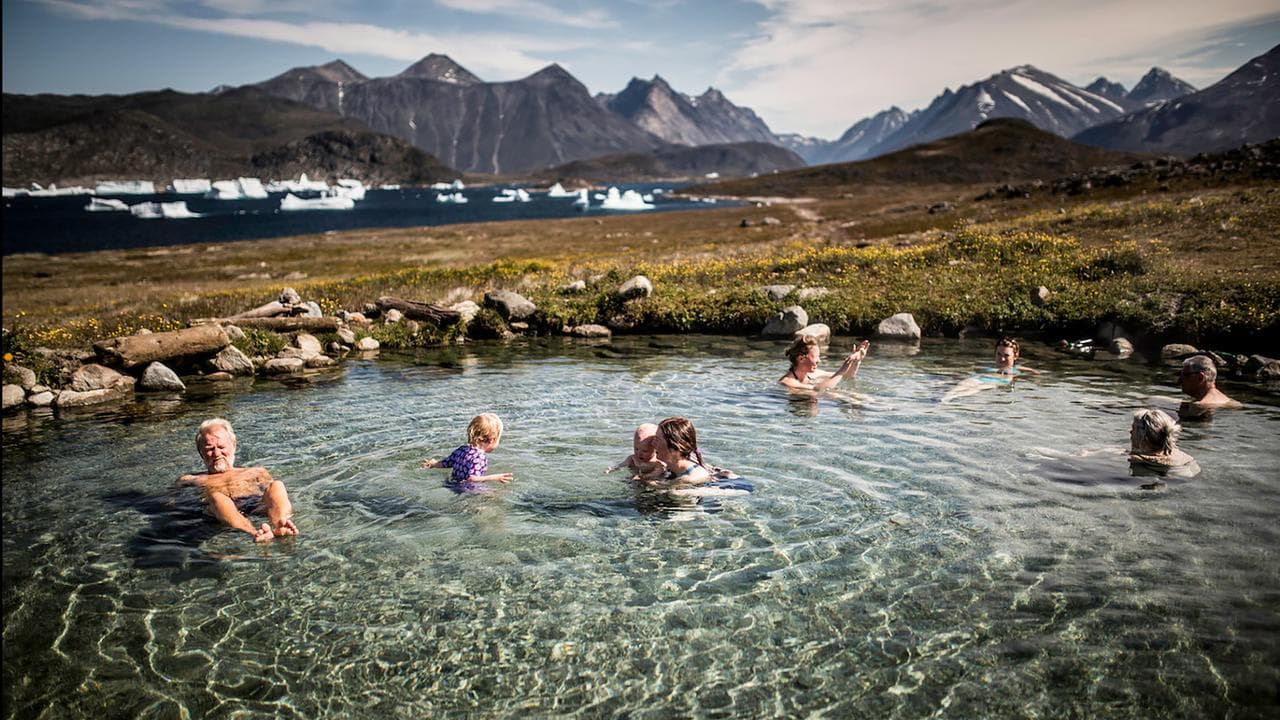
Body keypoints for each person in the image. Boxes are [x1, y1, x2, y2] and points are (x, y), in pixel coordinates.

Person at [176, 418, 298, 543]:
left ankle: (280, 524)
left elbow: (271, 496)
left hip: (253, 504)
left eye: (221, 446)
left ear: (233, 445)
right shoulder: (190, 479)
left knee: (277, 485)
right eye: (209, 449)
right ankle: (255, 533)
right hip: (219, 511)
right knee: (216, 496)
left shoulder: (256, 471)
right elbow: (174, 503)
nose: (217, 453)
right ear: (201, 453)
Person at [422, 412, 514, 491]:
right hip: (467, 489)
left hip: (451, 484)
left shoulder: (463, 449)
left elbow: (446, 463)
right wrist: (494, 477)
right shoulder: (480, 457)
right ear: (492, 440)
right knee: (493, 495)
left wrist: (434, 464)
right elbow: (472, 479)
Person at [942, 336, 1038, 403]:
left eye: (1006, 355)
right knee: (966, 383)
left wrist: (1035, 375)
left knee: (977, 388)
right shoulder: (991, 367)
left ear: (1015, 356)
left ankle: (952, 398)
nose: (1002, 359)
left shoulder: (1016, 368)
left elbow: (1034, 373)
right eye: (999, 354)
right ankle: (945, 397)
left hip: (1001, 380)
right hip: (984, 377)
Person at [779, 335, 871, 391]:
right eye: (816, 357)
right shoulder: (787, 382)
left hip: (817, 403)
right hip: (802, 408)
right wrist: (841, 370)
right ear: (801, 358)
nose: (819, 360)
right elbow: (820, 389)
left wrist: (856, 361)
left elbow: (847, 376)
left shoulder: (814, 373)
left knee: (858, 398)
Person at [1129, 408, 1199, 477]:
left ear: (1144, 437)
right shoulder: (1182, 456)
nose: (1131, 432)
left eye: (1133, 429)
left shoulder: (1137, 461)